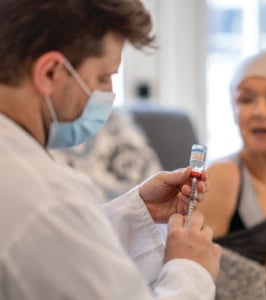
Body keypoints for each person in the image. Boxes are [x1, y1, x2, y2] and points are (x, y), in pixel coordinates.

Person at [0, 1, 221, 299]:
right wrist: (191, 269)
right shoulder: (47, 198)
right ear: (50, 72)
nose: (108, 94)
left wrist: (138, 214)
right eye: (103, 77)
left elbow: (61, 255)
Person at [196, 50, 266, 299]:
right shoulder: (222, 178)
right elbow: (190, 276)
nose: (259, 111)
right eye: (246, 100)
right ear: (234, 112)